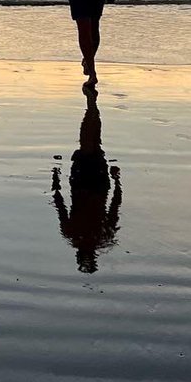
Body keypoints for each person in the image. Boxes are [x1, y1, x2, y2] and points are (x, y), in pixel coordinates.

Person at [51, 87, 123, 273]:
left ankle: (92, 105)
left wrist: (116, 181)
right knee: (89, 142)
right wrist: (56, 180)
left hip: (96, 184)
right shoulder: (75, 234)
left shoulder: (99, 237)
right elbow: (60, 204)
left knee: (94, 143)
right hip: (84, 183)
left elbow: (115, 206)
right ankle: (91, 104)